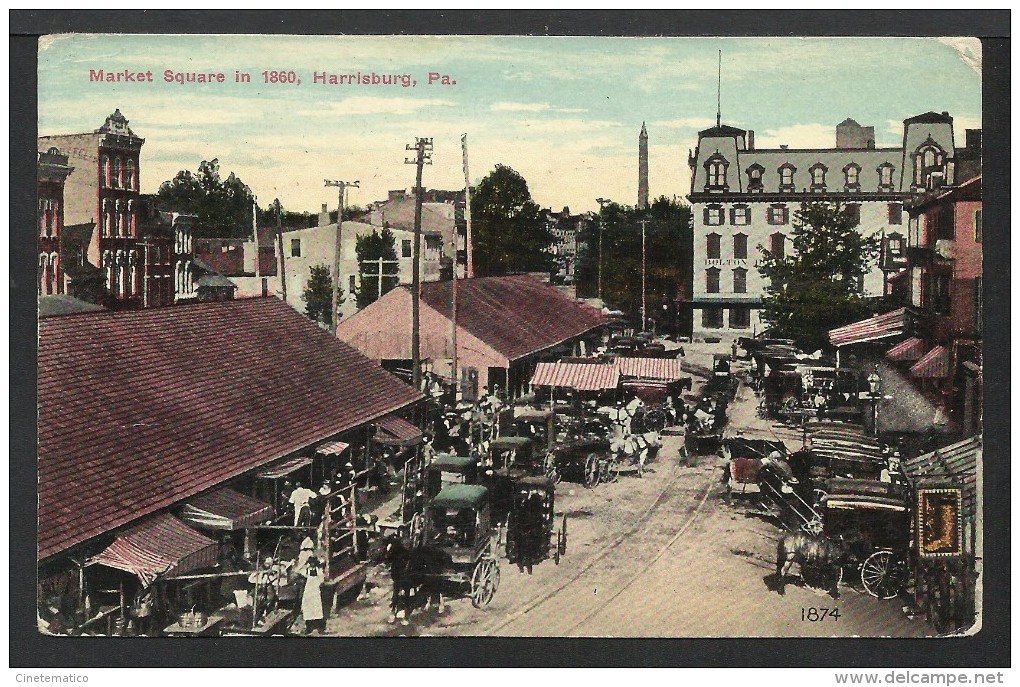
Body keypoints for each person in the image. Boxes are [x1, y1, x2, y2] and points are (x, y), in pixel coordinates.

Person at [299, 557, 325, 634]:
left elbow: (322, 579)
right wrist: (304, 565)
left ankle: (320, 628)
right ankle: (308, 627)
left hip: (315, 590)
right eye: (310, 563)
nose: (311, 564)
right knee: (308, 607)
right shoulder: (307, 570)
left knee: (316, 607)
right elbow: (299, 570)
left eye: (313, 563)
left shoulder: (318, 570)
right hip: (308, 590)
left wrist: (318, 583)